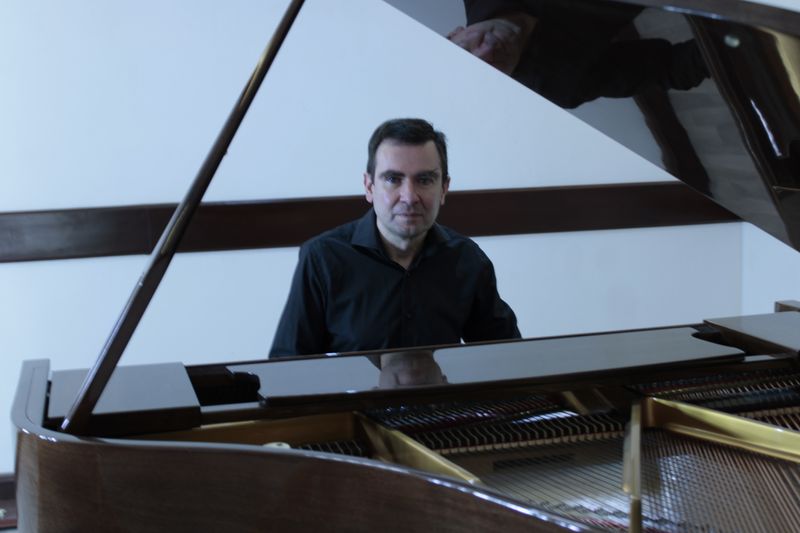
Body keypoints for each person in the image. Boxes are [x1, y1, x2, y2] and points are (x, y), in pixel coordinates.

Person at [269, 118, 520, 358]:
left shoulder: (467, 260)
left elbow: (506, 358)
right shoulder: (322, 258)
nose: (409, 197)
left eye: (424, 180)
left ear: (444, 188)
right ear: (369, 187)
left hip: (439, 392)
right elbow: (288, 367)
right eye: (393, 179)